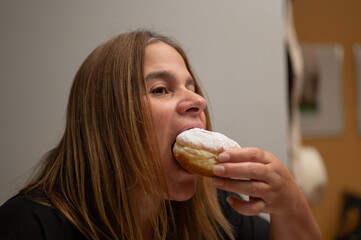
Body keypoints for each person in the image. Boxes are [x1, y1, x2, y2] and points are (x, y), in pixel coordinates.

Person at [0, 29, 321, 240]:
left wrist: (290, 204)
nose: (198, 101)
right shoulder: (28, 227)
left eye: (192, 88)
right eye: (161, 89)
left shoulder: (218, 214)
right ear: (108, 119)